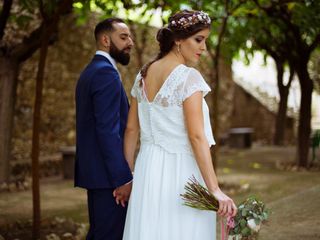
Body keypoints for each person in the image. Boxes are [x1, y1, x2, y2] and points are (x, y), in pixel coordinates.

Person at [122, 10, 237, 239]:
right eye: (199, 39)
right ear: (177, 40)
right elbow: (196, 137)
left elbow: (131, 129)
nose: (203, 48)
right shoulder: (188, 77)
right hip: (182, 173)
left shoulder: (142, 75)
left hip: (147, 170)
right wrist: (214, 188)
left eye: (205, 40)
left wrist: (127, 176)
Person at [74, 18, 134, 240]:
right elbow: (107, 131)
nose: (131, 42)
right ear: (106, 40)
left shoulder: (91, 71)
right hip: (108, 178)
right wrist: (122, 179)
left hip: (97, 174)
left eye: (129, 36)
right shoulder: (105, 73)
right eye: (124, 37)